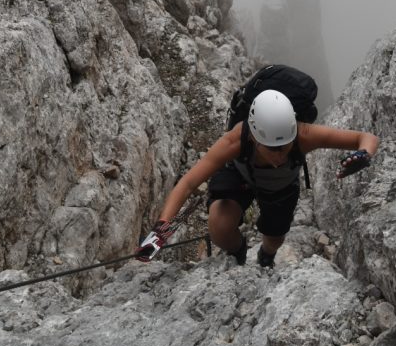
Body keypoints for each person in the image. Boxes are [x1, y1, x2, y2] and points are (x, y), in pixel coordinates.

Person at [140, 88, 379, 268]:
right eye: (272, 148)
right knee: (219, 226)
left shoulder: (305, 135)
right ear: (254, 137)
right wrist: (159, 234)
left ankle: (266, 256)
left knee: (274, 238)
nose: (279, 155)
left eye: (285, 147)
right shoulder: (235, 141)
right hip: (240, 177)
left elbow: (366, 137)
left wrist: (363, 155)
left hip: (281, 188)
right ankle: (238, 253)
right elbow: (188, 183)